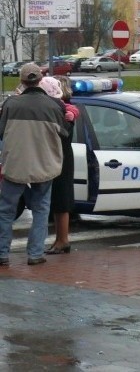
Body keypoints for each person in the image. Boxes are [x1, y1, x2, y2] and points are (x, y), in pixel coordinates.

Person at [0, 64, 69, 266]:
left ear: (22, 81)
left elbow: (1, 131)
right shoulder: (54, 106)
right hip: (44, 166)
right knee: (40, 209)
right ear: (40, 80)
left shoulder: (11, 104)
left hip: (16, 165)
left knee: (5, 211)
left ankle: (2, 254)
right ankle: (35, 254)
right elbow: (64, 132)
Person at [39, 76, 79, 254]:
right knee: (58, 200)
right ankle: (60, 240)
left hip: (60, 157)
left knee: (61, 199)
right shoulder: (65, 108)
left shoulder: (64, 110)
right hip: (60, 156)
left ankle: (62, 240)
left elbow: (60, 133)